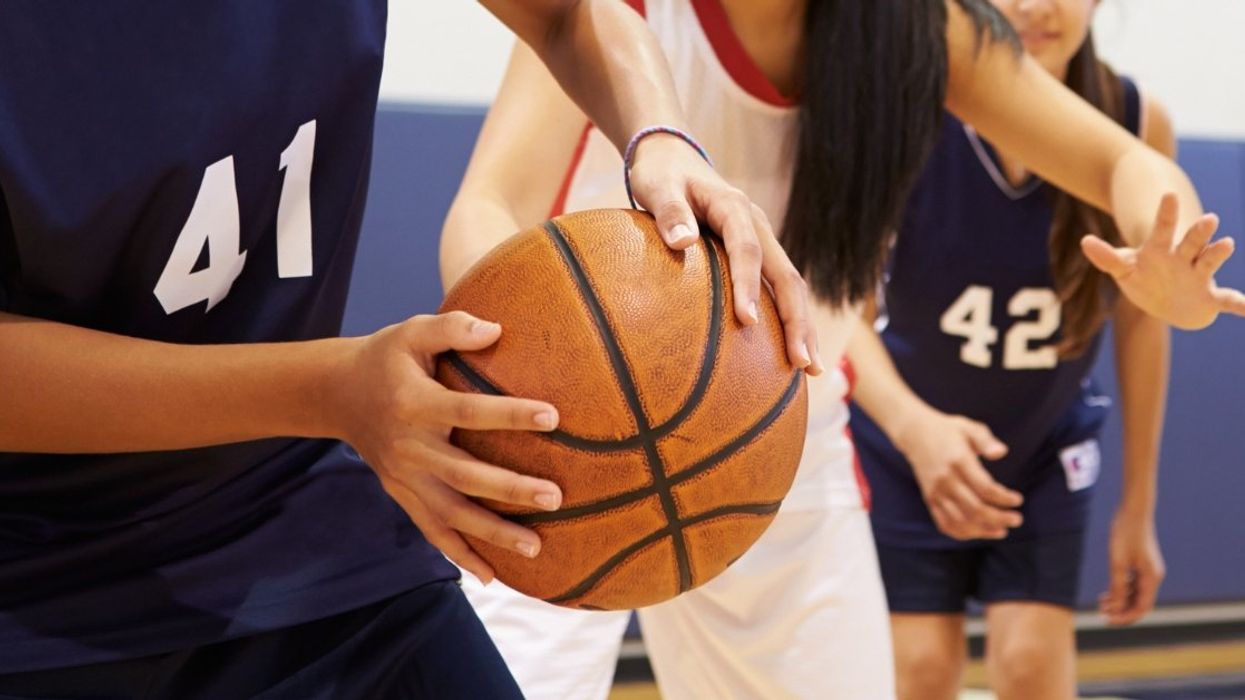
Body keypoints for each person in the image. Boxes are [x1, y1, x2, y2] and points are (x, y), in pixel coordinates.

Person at [0, 2, 818, 697]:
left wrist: (662, 136)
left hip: (284, 520)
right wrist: (329, 390)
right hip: (35, 581)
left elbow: (567, 11)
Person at [440, 1, 1244, 699]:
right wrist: (518, 372)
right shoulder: (621, 13)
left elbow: (1123, 161)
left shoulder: (921, 26)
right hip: (564, 452)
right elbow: (487, 202)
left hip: (781, 456)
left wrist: (1167, 248)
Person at [849, 2, 1180, 698]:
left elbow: (1145, 321)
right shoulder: (906, 103)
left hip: (1042, 449)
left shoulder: (1134, 117)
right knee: (918, 668)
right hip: (907, 441)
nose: (1034, 5)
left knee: (1030, 663)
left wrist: (1137, 507)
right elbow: (835, 300)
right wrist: (912, 428)